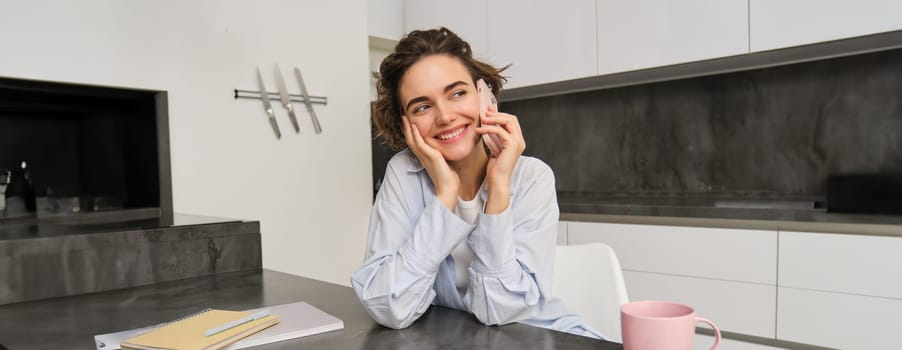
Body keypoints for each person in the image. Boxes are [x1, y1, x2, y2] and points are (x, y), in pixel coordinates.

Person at [351, 27, 604, 340]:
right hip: (455, 338)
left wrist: (498, 188)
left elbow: (500, 310)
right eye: (422, 107)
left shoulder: (531, 178)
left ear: (485, 96)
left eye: (457, 93)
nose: (444, 117)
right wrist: (445, 196)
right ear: (406, 125)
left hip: (539, 336)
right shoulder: (404, 174)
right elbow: (389, 307)